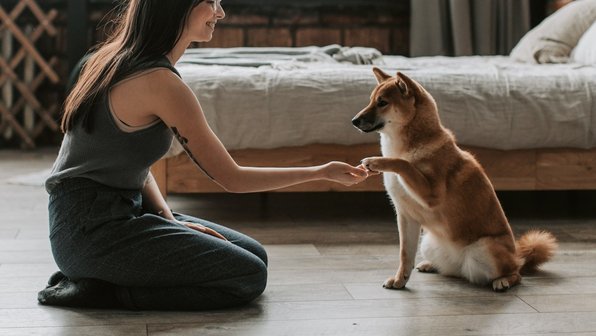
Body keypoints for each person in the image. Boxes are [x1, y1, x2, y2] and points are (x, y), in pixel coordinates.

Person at [37, 0, 369, 310]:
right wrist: (319, 172)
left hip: (109, 215)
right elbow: (231, 178)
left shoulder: (118, 58)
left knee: (253, 255)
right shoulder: (159, 82)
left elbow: (132, 162)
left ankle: (108, 275)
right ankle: (104, 290)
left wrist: (168, 220)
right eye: (210, 2)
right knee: (248, 275)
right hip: (91, 232)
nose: (220, 12)